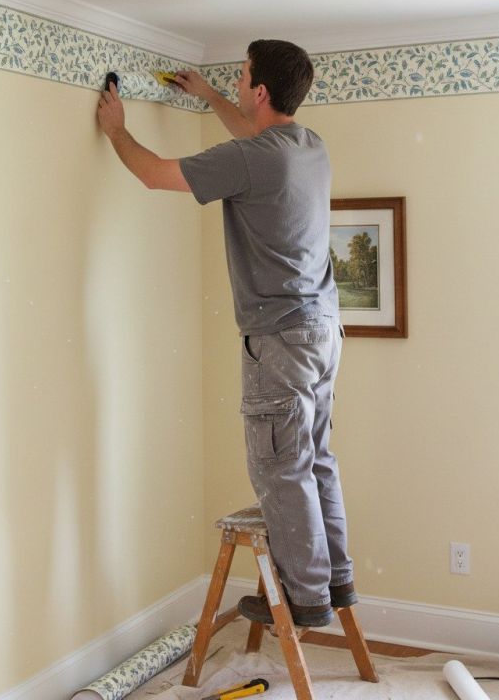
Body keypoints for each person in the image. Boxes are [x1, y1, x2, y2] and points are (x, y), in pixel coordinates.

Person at [97, 39, 355, 628]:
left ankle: (305, 597)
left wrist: (116, 130)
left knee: (278, 466)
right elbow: (251, 139)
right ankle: (335, 579)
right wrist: (210, 94)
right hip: (320, 329)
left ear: (260, 90)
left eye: (241, 78)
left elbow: (155, 174)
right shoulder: (307, 146)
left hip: (280, 337)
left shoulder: (253, 159)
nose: (237, 83)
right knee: (314, 458)